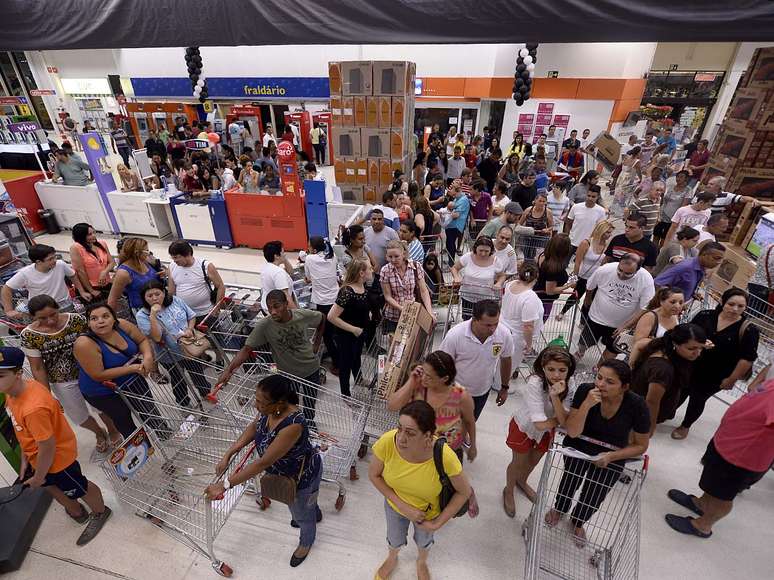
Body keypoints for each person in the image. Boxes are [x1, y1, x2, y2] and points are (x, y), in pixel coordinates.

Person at [206, 374, 322, 567]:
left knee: (302, 513)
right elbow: (254, 427)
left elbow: (262, 463)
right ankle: (313, 510)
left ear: (279, 403)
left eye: (260, 402)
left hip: (302, 477)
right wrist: (230, 453)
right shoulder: (270, 410)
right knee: (304, 505)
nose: (255, 405)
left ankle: (306, 541)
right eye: (256, 399)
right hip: (285, 474)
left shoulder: (293, 425)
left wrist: (225, 484)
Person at [0, 346, 112, 545]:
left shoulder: (33, 408)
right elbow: (22, 430)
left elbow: (48, 446)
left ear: (18, 374)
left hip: (57, 461)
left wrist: (39, 476)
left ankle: (100, 511)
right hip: (38, 459)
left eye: (1, 374)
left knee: (79, 486)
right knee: (50, 486)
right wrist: (26, 459)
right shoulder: (11, 392)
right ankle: (75, 509)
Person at [543, 360, 650, 545]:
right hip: (580, 445)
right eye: (599, 377)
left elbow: (641, 445)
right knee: (569, 480)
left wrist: (610, 456)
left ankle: (578, 521)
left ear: (624, 387)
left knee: (595, 493)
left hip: (613, 453)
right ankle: (560, 508)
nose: (600, 384)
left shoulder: (637, 405)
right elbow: (573, 431)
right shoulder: (586, 390)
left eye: (610, 381)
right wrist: (586, 405)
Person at [368, 400, 472, 580]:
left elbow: (464, 492)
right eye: (399, 428)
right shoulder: (388, 442)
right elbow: (374, 475)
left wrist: (437, 523)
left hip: (428, 513)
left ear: (428, 436)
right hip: (395, 505)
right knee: (394, 538)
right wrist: (404, 507)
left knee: (424, 542)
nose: (400, 438)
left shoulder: (444, 456)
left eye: (410, 433)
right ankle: (392, 558)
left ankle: (421, 562)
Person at [665, 381, 774, 539]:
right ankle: (701, 504)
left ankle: (703, 525)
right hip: (728, 442)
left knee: (723, 495)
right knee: (714, 483)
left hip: (743, 457)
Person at [21, 295, 120, 452]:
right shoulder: (28, 336)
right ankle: (98, 432)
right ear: (33, 317)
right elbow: (38, 367)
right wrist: (46, 395)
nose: (50, 321)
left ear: (58, 308)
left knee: (102, 406)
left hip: (90, 372)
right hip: (61, 381)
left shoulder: (76, 320)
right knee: (77, 414)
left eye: (53, 314)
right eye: (42, 318)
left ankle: (113, 430)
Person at [217, 290, 324, 423]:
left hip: (311, 369)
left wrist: (317, 344)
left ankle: (309, 425)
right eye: (269, 308)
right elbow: (246, 349)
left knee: (310, 403)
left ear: (286, 304)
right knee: (289, 406)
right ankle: (294, 428)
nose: (273, 312)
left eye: (276, 306)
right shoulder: (265, 325)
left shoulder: (301, 315)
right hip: (288, 375)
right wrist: (229, 371)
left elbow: (321, 318)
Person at [672, 289, 760, 440]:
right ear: (722, 302)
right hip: (691, 365)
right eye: (731, 304)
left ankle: (685, 425)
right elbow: (688, 333)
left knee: (698, 398)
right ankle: (669, 410)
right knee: (680, 390)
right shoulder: (705, 316)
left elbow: (747, 358)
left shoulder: (749, 330)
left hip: (716, 375)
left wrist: (731, 380)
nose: (735, 309)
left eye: (741, 306)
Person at [503, 346, 577, 516]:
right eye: (551, 369)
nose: (556, 375)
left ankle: (522, 481)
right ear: (543, 368)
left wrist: (555, 397)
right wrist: (560, 419)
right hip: (524, 428)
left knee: (533, 461)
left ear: (569, 370)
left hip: (546, 432)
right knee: (518, 462)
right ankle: (508, 490)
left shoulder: (570, 383)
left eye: (562, 370)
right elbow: (540, 424)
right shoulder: (535, 383)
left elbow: (563, 419)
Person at [74, 303, 164, 439]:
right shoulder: (85, 344)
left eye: (105, 316)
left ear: (114, 318)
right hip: (103, 391)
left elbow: (142, 340)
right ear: (88, 324)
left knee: (149, 408)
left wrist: (147, 357)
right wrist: (132, 368)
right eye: (94, 318)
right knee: (123, 419)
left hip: (133, 379)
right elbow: (98, 375)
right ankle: (143, 450)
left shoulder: (122, 325)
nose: (100, 321)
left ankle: (164, 434)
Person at [388, 351, 476, 463]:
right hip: (415, 452)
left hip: (446, 456)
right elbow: (392, 406)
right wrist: (411, 381)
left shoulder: (461, 397)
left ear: (444, 379)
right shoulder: (417, 388)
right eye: (423, 372)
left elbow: (469, 421)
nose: (423, 378)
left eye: (429, 377)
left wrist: (473, 446)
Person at [135, 280, 212, 408]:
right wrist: (153, 315)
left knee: (198, 373)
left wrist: (189, 329)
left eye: (157, 294)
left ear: (164, 293)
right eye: (149, 296)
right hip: (168, 354)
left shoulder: (175, 301)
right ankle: (183, 402)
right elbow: (157, 337)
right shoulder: (142, 315)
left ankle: (206, 393)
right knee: (178, 379)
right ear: (144, 298)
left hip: (188, 347)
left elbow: (191, 316)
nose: (154, 298)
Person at [439, 299, 514, 419]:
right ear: (474, 319)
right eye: (488, 325)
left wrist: (504, 387)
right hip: (455, 392)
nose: (493, 329)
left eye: (496, 323)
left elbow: (506, 359)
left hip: (482, 392)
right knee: (449, 427)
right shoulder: (455, 335)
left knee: (470, 423)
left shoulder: (504, 334)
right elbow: (442, 365)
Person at [575, 254, 655, 362]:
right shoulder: (605, 269)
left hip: (621, 324)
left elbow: (646, 307)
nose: (621, 275)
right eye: (620, 270)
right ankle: (580, 353)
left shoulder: (646, 279)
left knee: (613, 349)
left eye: (628, 273)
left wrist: (626, 326)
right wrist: (587, 301)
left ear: (637, 270)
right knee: (584, 341)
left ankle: (600, 368)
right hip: (596, 317)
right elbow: (590, 286)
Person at [630, 323, 707, 435]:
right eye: (692, 348)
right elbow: (652, 401)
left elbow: (640, 345)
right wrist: (649, 428)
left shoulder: (662, 344)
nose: (698, 353)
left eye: (701, 348)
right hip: (638, 414)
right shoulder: (663, 370)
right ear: (676, 343)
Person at [2, 244, 88, 318]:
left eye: (55, 257)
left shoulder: (60, 264)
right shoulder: (25, 273)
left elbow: (72, 275)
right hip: (41, 310)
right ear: (38, 262)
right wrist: (9, 310)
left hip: (65, 304)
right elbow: (6, 288)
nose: (54, 261)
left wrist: (82, 291)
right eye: (50, 259)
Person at [327, 259, 373, 397]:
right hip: (346, 335)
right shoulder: (347, 291)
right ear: (361, 273)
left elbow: (358, 306)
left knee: (356, 358)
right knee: (345, 363)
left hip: (359, 333)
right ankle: (345, 393)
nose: (372, 270)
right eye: (369, 269)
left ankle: (359, 379)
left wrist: (367, 313)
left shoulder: (363, 287)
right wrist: (353, 329)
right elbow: (331, 316)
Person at [559, 220, 614, 320]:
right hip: (583, 275)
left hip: (596, 278)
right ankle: (562, 312)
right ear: (600, 231)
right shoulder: (586, 243)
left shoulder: (607, 246)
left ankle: (583, 321)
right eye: (607, 232)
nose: (609, 235)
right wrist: (574, 279)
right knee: (576, 296)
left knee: (590, 300)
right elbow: (577, 262)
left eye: (610, 233)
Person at [303, 236, 339, 373]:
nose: (308, 247)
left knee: (326, 334)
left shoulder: (309, 259)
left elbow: (307, 278)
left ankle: (337, 363)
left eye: (309, 245)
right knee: (335, 331)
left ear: (314, 248)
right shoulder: (332, 256)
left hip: (323, 303)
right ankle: (335, 354)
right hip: (335, 299)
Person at [380, 240, 433, 333]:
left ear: (403, 254)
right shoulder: (385, 271)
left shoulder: (416, 266)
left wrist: (429, 312)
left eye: (396, 256)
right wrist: (402, 308)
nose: (393, 260)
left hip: (413, 313)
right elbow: (388, 296)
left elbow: (424, 291)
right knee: (394, 345)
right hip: (393, 316)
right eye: (390, 257)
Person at [167, 240, 225, 322]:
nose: (174, 261)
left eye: (176, 257)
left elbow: (220, 287)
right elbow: (171, 292)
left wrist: (216, 308)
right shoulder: (172, 266)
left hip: (205, 313)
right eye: (172, 258)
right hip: (184, 314)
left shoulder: (205, 266)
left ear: (187, 254)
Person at [501, 262, 544, 371]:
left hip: (502, 329)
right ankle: (500, 385)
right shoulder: (530, 297)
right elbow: (528, 326)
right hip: (517, 338)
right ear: (536, 277)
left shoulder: (510, 284)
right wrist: (529, 345)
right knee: (508, 366)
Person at [627, 286, 685, 366]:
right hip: (644, 363)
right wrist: (665, 342)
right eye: (673, 302)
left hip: (663, 363)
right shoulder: (650, 317)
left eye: (681, 303)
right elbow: (638, 343)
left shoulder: (675, 316)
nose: (677, 306)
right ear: (661, 301)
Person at [653, 242, 726, 301]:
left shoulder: (701, 269)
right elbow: (658, 284)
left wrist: (691, 294)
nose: (719, 262)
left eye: (721, 259)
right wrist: (675, 302)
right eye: (716, 258)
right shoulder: (685, 267)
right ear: (704, 254)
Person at [107, 238, 160, 313]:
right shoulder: (123, 273)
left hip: (158, 304)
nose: (148, 253)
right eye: (146, 251)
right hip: (143, 310)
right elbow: (113, 299)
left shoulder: (144, 261)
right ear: (136, 253)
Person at [69, 224, 115, 303]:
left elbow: (112, 262)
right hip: (91, 287)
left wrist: (104, 272)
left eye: (94, 232)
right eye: (89, 234)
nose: (94, 236)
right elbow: (80, 271)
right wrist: (91, 290)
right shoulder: (76, 248)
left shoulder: (102, 244)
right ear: (81, 236)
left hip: (106, 283)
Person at [535, 233, 575, 321]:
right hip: (545, 300)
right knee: (539, 323)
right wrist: (568, 285)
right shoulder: (554, 268)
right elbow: (550, 291)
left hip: (536, 293)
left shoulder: (543, 256)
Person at [563, 187, 608, 255]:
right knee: (564, 263)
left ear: (597, 197)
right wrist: (567, 238)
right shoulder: (576, 207)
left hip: (588, 245)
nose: (590, 198)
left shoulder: (601, 211)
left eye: (593, 197)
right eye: (588, 196)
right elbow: (568, 223)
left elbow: (601, 229)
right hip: (572, 242)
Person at [654, 170, 693, 246]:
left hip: (673, 218)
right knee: (656, 235)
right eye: (677, 176)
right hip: (661, 215)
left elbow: (683, 206)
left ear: (686, 179)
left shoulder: (688, 190)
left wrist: (677, 219)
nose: (678, 179)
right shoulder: (670, 186)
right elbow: (662, 199)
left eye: (681, 177)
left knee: (664, 239)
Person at [260, 240, 297, 311]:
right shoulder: (278, 273)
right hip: (276, 310)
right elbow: (285, 296)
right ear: (276, 256)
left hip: (267, 306)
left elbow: (291, 272)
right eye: (283, 252)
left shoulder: (267, 267)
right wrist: (298, 314)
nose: (285, 254)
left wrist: (284, 259)